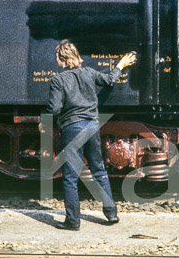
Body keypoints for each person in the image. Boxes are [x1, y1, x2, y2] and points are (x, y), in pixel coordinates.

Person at [44, 40, 137, 230]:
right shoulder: (88, 72)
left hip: (72, 128)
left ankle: (73, 221)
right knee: (99, 171)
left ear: (62, 58)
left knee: (70, 177)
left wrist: (41, 121)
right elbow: (110, 80)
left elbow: (54, 109)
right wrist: (121, 64)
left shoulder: (58, 80)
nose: (56, 61)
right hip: (92, 126)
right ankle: (111, 214)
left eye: (57, 57)